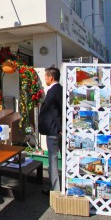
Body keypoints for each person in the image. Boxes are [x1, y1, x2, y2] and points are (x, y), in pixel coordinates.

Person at [38, 67, 63, 195]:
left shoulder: (53, 91)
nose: (45, 79)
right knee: (64, 158)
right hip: (60, 131)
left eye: (46, 77)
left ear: (51, 77)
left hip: (54, 131)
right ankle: (65, 186)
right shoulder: (61, 90)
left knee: (52, 160)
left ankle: (56, 190)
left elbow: (54, 112)